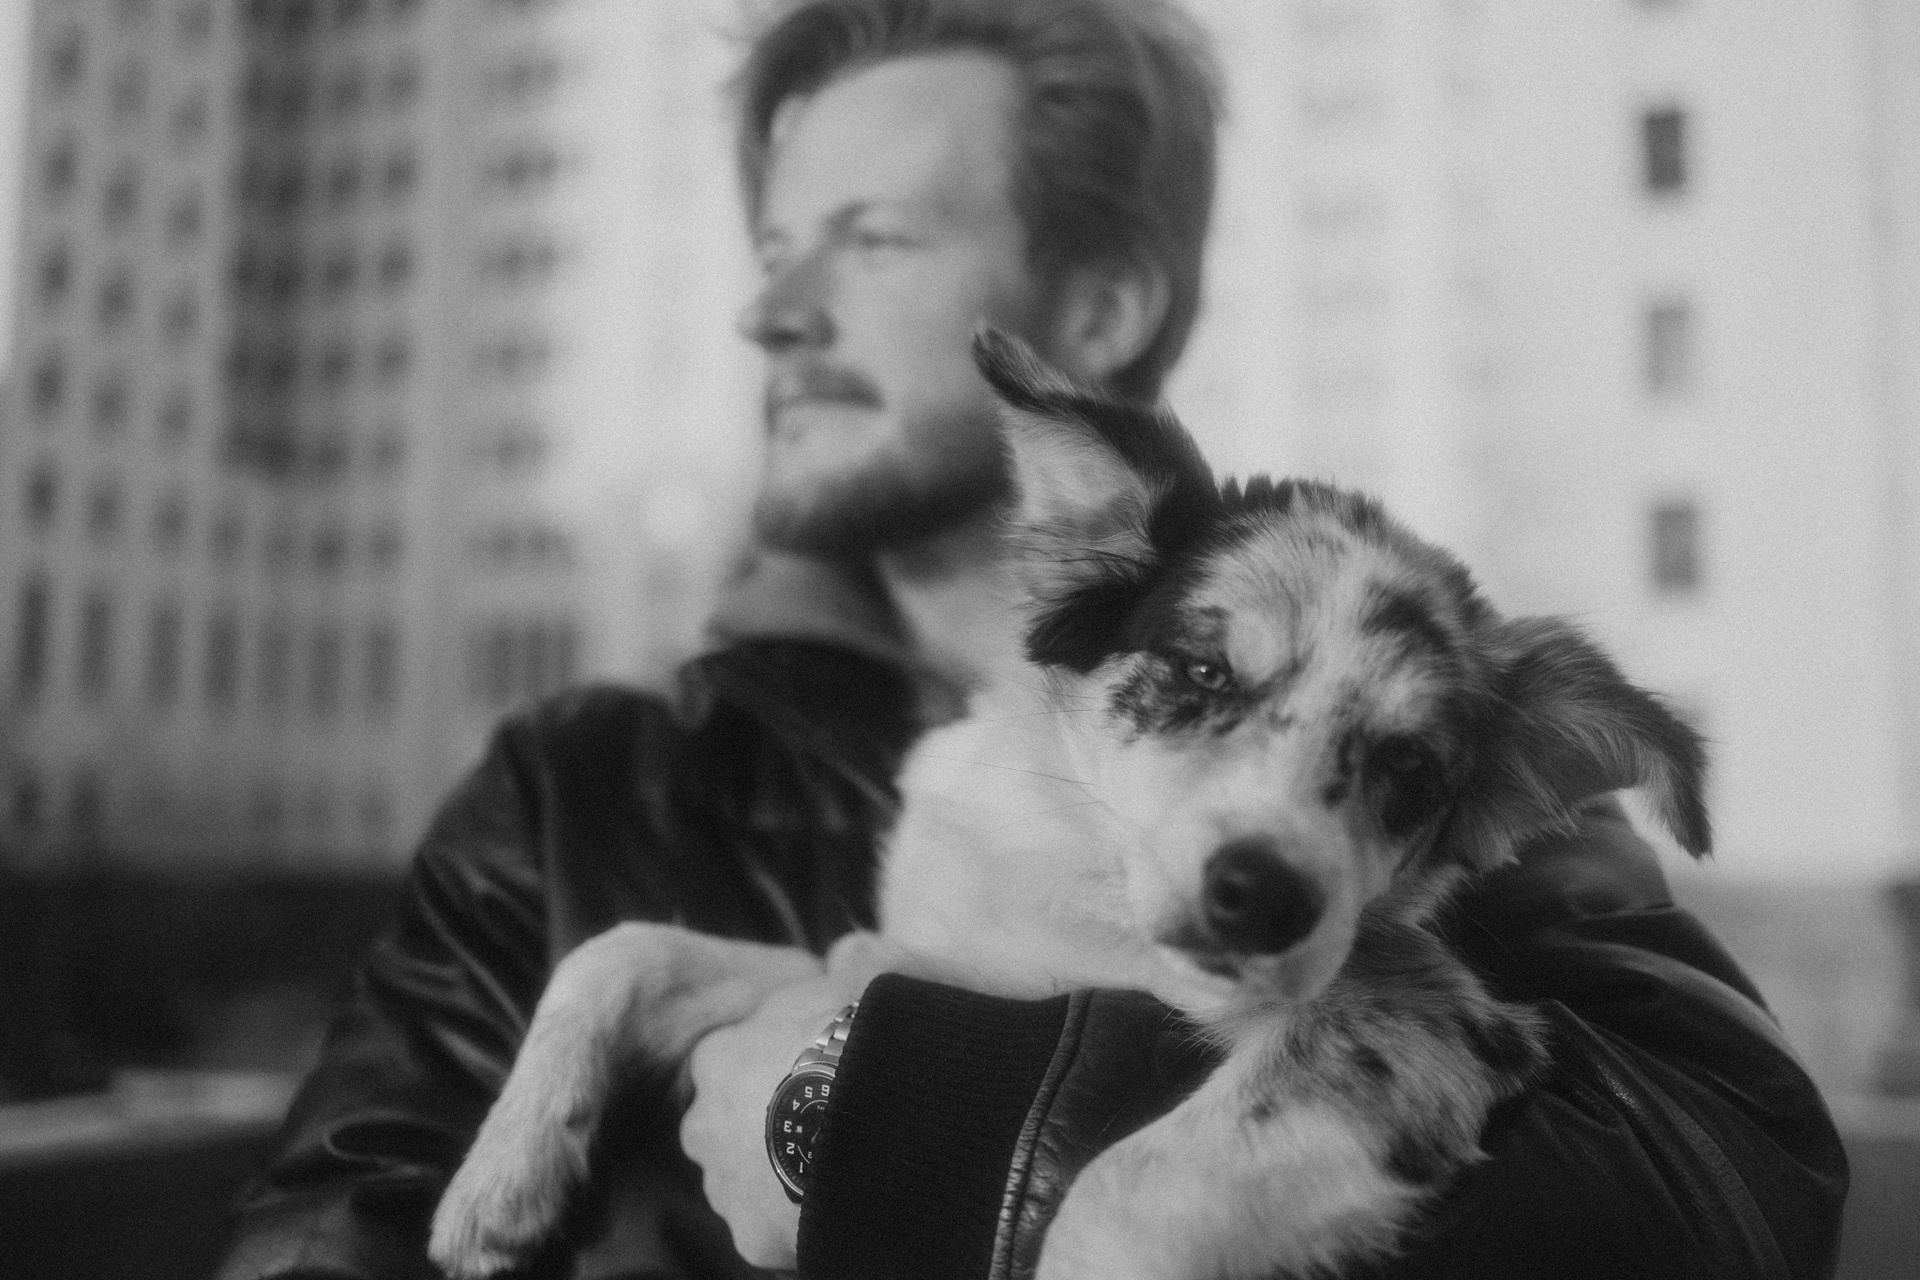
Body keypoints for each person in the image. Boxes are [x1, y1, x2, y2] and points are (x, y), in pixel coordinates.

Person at [215, 1, 1848, 1278]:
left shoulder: (1477, 785)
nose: (771, 312)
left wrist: (923, 1141)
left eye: (873, 238)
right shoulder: (574, 790)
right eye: (776, 249)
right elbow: (336, 1228)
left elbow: (1734, 1191)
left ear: (1099, 314)